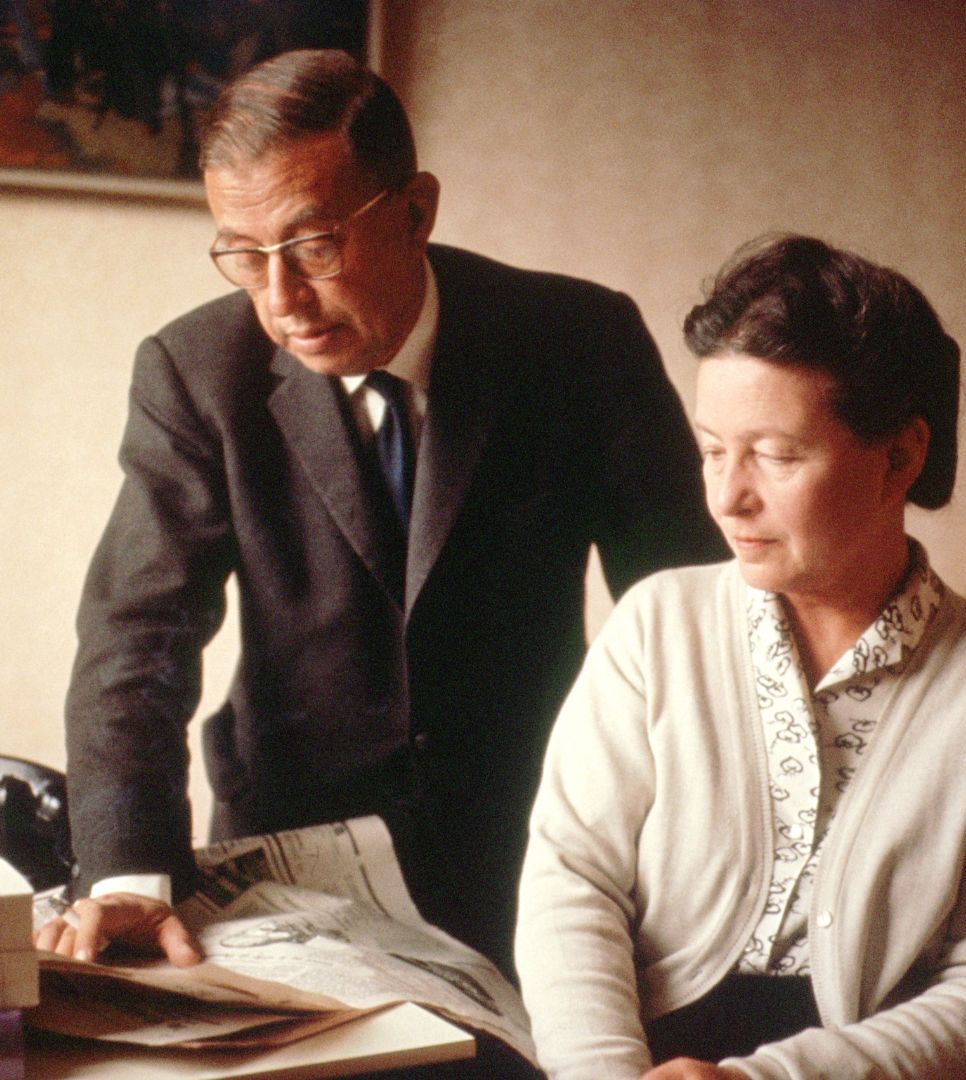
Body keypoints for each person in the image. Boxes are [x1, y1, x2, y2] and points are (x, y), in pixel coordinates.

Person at [34, 48, 725, 987]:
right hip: (294, 857)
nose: (281, 300)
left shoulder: (576, 343)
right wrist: (130, 873)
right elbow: (136, 637)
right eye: (242, 253)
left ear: (416, 210)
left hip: (540, 843)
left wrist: (708, 846)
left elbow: (688, 607)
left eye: (314, 247)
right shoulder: (196, 372)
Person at [515, 234, 966, 1079]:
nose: (728, 495)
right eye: (712, 450)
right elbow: (572, 883)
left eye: (775, 456)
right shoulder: (655, 627)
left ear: (899, 456)